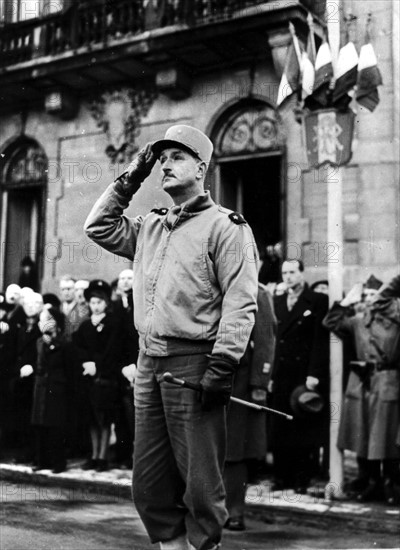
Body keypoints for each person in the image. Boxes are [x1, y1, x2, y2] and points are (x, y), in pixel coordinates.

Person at [84, 125, 259, 550]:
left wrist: (222, 363)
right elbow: (99, 226)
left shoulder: (226, 227)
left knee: (200, 484)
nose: (165, 164)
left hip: (193, 366)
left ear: (201, 168)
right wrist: (132, 175)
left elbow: (241, 301)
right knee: (147, 484)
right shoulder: (151, 227)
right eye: (160, 158)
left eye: (176, 157)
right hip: (150, 365)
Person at [324, 275, 400, 504]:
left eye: (372, 296)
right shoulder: (358, 320)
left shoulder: (396, 320)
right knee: (362, 435)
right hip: (361, 383)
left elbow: (383, 300)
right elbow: (331, 322)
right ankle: (369, 481)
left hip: (387, 381)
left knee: (385, 437)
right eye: (365, 295)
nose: (369, 300)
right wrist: (346, 301)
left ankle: (392, 484)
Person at [269, 259, 329, 493]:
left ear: (302, 274)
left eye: (293, 272)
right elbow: (273, 340)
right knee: (279, 426)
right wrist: (270, 374)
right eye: (285, 273)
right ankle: (281, 476)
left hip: (303, 375)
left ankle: (301, 478)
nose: (288, 277)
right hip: (281, 373)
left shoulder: (316, 301)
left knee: (302, 428)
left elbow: (319, 341)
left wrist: (314, 374)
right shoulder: (277, 301)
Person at [224, 283, 276, 531]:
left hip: (240, 383)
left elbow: (265, 340)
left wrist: (259, 384)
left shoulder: (256, 291)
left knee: (234, 452)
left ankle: (234, 511)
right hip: (204, 380)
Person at [74, 279, 128, 472]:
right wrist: (86, 362)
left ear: (106, 303)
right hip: (89, 379)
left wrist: (98, 366)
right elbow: (79, 348)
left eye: (99, 302)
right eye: (92, 303)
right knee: (91, 420)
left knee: (104, 419)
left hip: (106, 379)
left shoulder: (113, 324)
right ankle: (94, 455)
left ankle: (103, 457)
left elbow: (113, 351)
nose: (95, 306)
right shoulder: (85, 326)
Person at [31, 305, 71, 473]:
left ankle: (58, 462)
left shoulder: (64, 342)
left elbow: (67, 368)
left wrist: (53, 343)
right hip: (41, 386)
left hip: (56, 387)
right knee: (40, 425)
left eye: (47, 319)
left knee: (55, 426)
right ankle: (42, 460)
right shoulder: (39, 342)